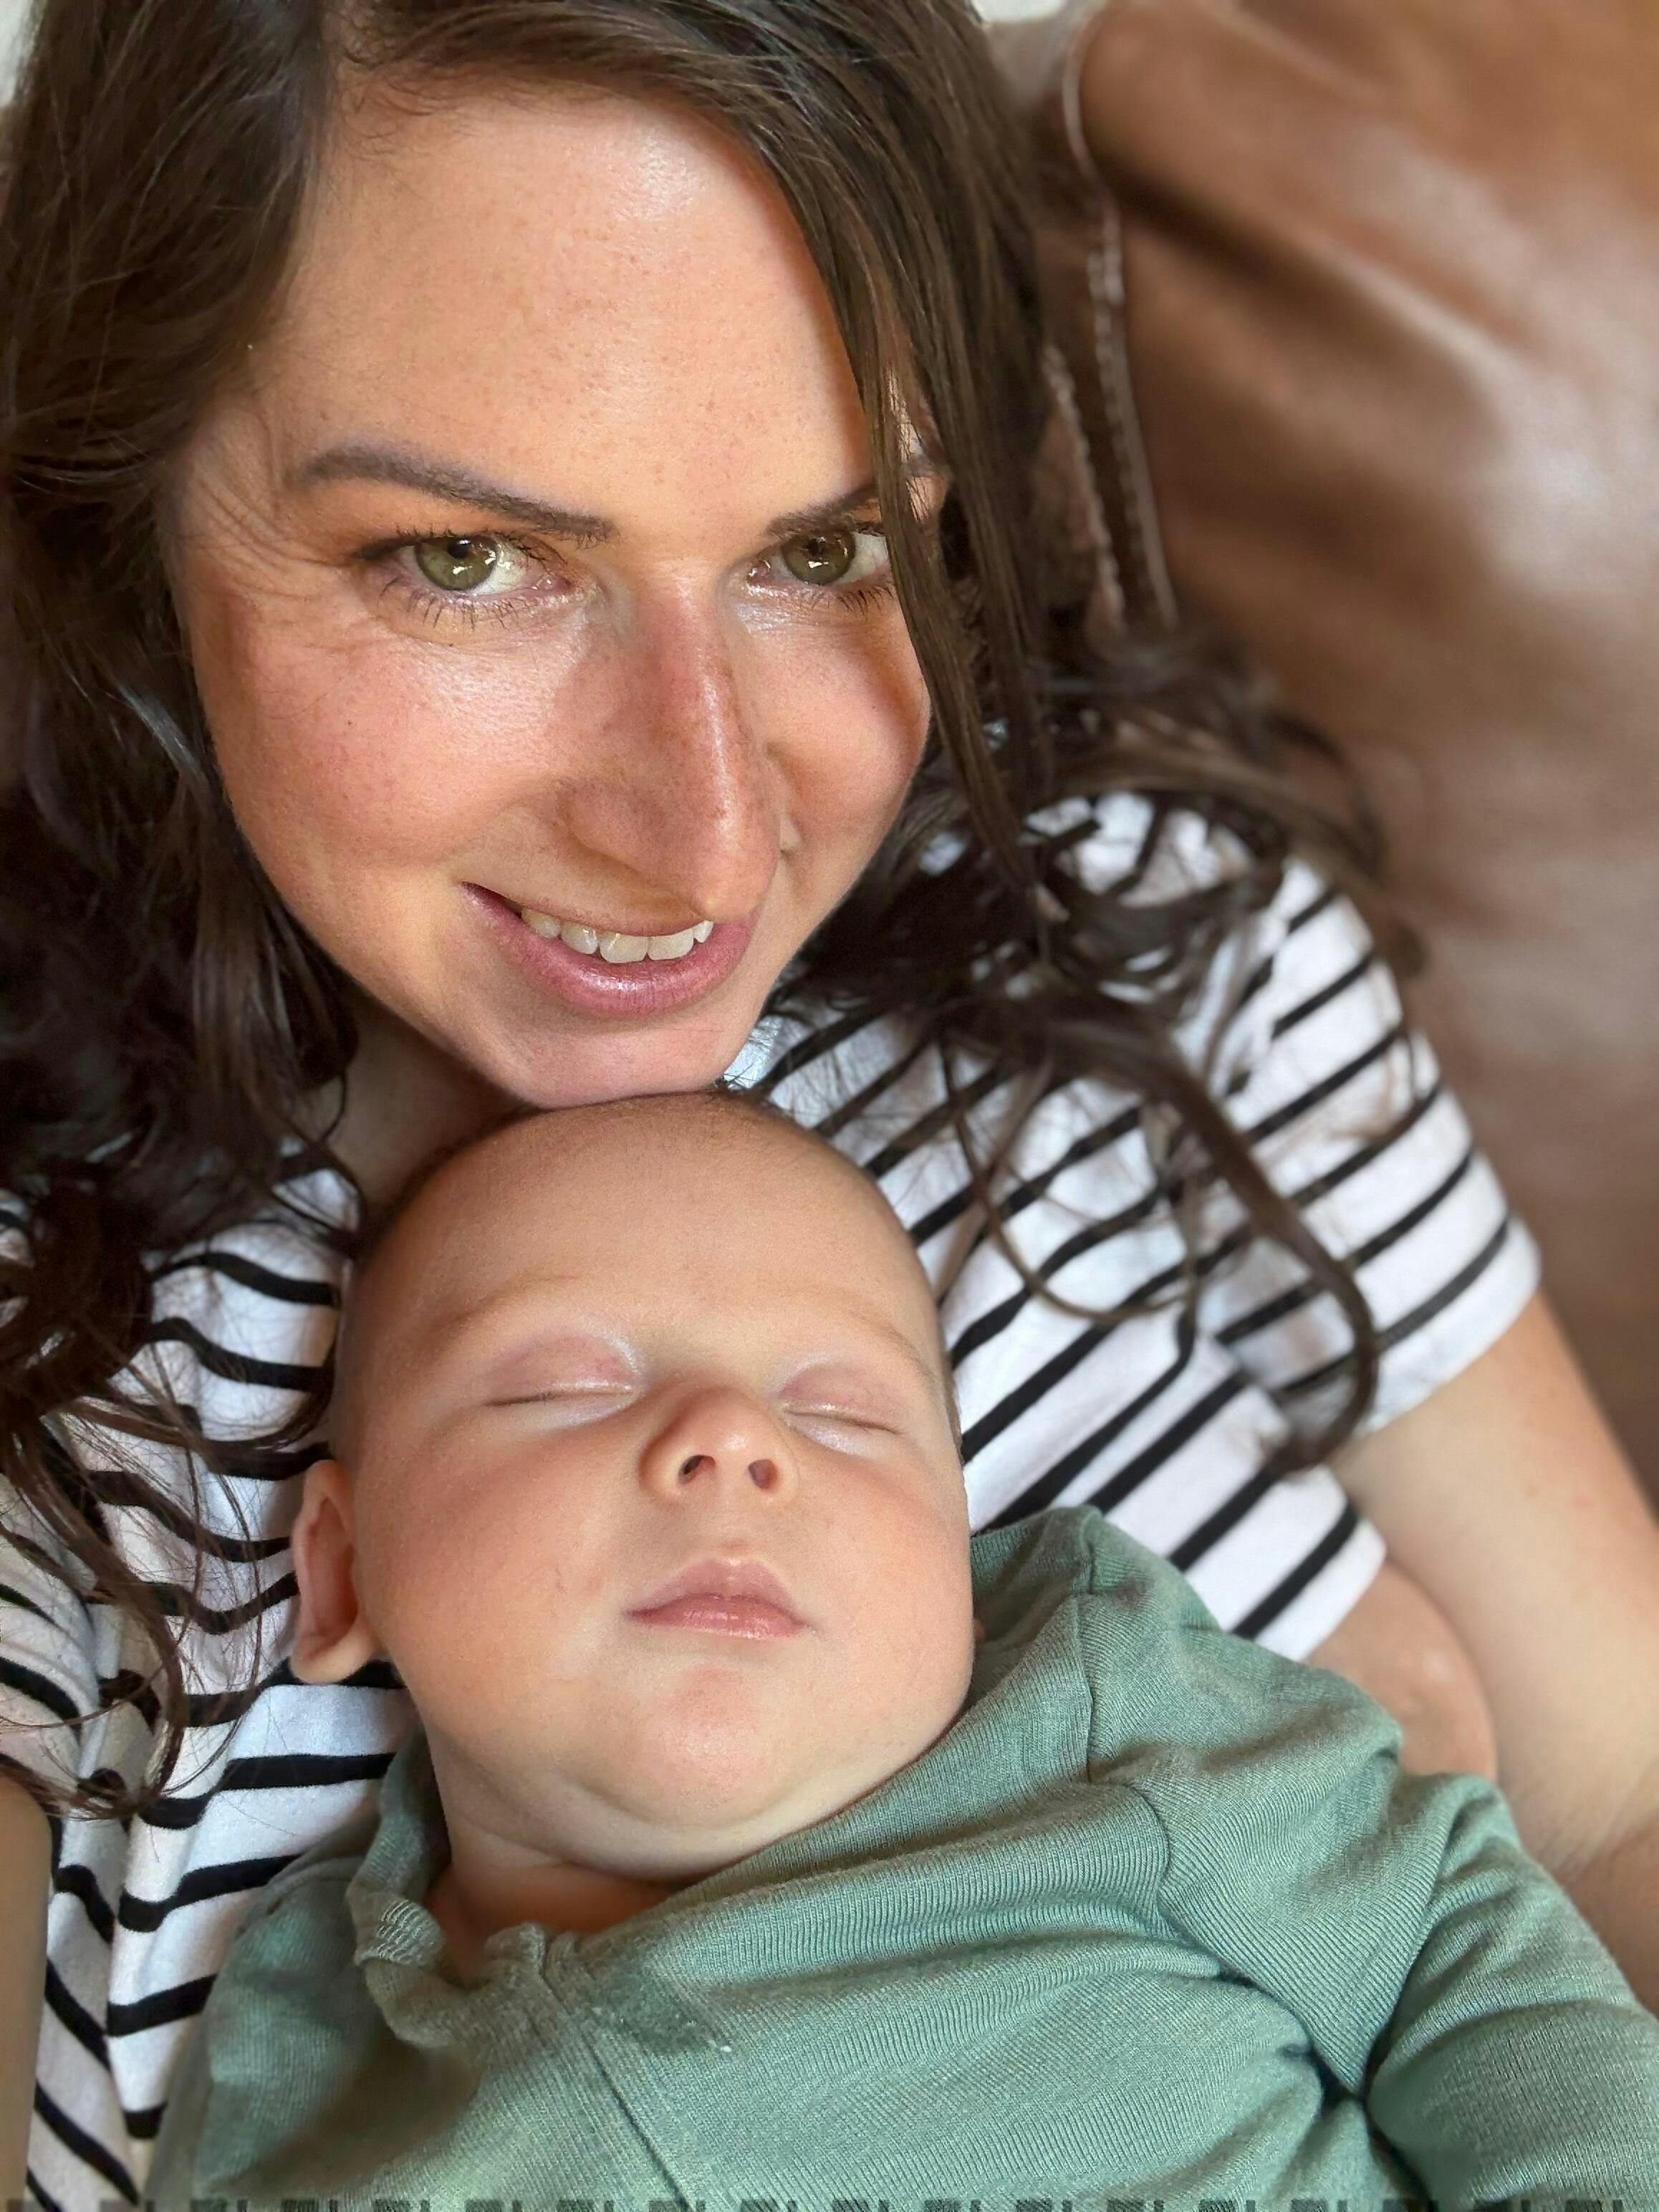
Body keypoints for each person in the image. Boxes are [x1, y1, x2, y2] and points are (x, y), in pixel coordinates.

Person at [1, 1, 1657, 2203]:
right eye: (465, 558)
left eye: (822, 548)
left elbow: (1613, 1797)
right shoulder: (59, 1365)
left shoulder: (1128, 931)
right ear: (120, 500)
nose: (703, 832)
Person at [147, 1092, 1659, 2208]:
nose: (731, 1439)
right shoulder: (303, 2047)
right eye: (563, 1381)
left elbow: (1450, 1936)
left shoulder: (1097, 1719)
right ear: (340, 1569)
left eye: (843, 1410)